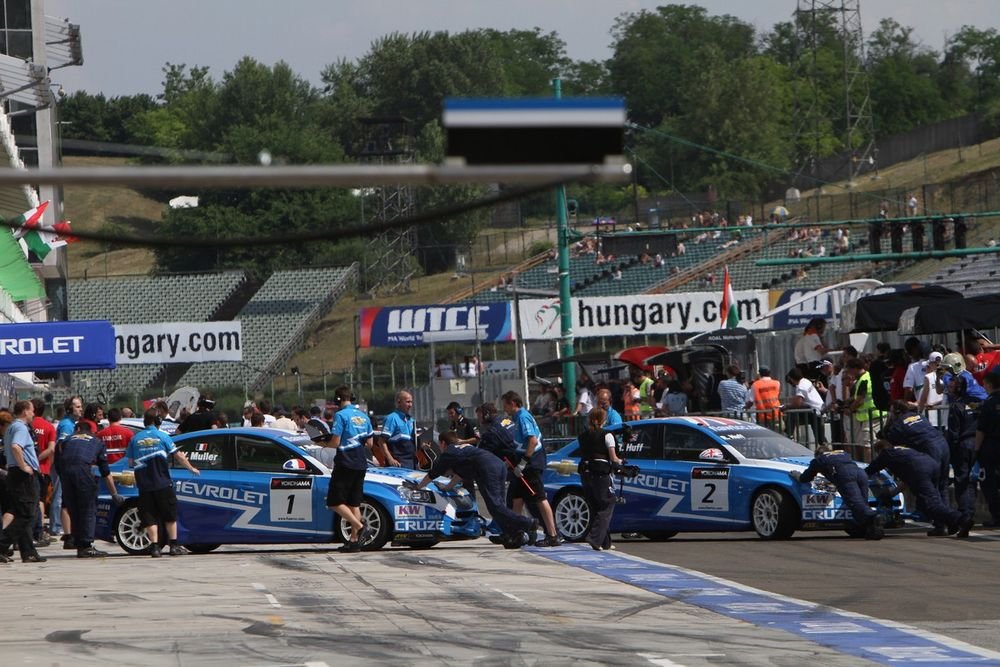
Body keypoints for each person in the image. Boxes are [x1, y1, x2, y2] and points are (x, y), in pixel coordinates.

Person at [406, 431, 536, 549]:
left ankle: (527, 523)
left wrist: (418, 487)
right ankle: (512, 535)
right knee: (497, 507)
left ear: (443, 443)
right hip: (498, 465)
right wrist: (447, 487)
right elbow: (461, 474)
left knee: (495, 506)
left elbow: (433, 473)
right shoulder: (462, 449)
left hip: (487, 469)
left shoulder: (449, 453)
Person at [125, 409, 201, 557]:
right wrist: (191, 468)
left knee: (149, 516)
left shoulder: (135, 439)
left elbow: (130, 462)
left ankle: (154, 547)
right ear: (158, 421)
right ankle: (173, 545)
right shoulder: (163, 436)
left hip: (145, 486)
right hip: (163, 483)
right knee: (170, 515)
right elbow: (178, 455)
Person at [866, 439, 972, 538]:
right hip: (931, 465)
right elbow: (907, 482)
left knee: (931, 504)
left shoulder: (886, 454)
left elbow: (869, 470)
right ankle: (950, 523)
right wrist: (892, 494)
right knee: (930, 502)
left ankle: (961, 519)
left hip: (921, 470)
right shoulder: (901, 451)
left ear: (879, 450)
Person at [879, 400, 951, 535]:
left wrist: (890, 420)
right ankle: (948, 522)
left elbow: (885, 436)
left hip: (930, 450)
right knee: (943, 486)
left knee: (932, 489)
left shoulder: (899, 425)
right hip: (943, 445)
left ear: (895, 412)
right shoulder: (919, 416)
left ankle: (942, 524)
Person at [501, 390, 562, 547]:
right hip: (523, 463)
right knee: (517, 499)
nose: (504, 409)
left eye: (505, 405)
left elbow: (533, 441)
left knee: (539, 498)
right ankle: (516, 534)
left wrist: (523, 462)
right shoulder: (516, 418)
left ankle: (553, 535)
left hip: (532, 463)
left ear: (513, 403)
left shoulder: (522, 417)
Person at [57, 420, 124, 558]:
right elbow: (105, 472)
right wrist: (114, 494)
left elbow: (58, 458)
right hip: (82, 471)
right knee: (88, 509)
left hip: (65, 473)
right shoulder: (97, 442)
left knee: (73, 508)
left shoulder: (67, 440)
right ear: (91, 431)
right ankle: (86, 545)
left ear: (78, 429)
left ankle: (78, 542)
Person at [321, 386, 375, 553]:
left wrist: (321, 443)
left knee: (334, 501)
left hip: (346, 462)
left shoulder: (341, 415)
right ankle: (354, 541)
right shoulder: (364, 416)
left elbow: (336, 442)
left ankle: (359, 526)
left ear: (337, 399)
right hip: (361, 463)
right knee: (354, 503)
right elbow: (370, 444)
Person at [790, 445, 882, 539]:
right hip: (861, 473)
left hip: (846, 475)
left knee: (856, 503)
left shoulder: (818, 460)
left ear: (817, 455)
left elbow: (806, 477)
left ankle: (873, 516)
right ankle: (871, 531)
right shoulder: (842, 453)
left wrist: (797, 475)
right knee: (863, 503)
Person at [0, 401, 46, 563]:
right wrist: (24, 466)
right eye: (32, 411)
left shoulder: (11, 428)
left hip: (14, 473)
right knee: (27, 514)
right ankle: (3, 544)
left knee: (22, 512)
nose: (33, 414)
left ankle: (28, 552)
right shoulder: (20, 427)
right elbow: (15, 447)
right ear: (25, 411)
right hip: (22, 475)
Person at [576, 408, 624, 551]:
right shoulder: (607, 435)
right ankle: (595, 538)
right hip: (601, 472)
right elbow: (613, 457)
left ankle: (605, 542)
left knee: (595, 505)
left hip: (585, 471)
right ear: (604, 420)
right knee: (607, 504)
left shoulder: (583, 435)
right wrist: (620, 462)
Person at [946, 373, 982, 522]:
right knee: (972, 480)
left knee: (961, 480)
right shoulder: (975, 403)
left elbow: (954, 432)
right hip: (977, 443)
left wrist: (951, 450)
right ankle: (969, 511)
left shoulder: (956, 406)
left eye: (952, 383)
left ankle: (965, 514)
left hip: (963, 445)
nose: (949, 386)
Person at [53, 395, 82, 548]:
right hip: (66, 467)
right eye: (77, 406)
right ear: (70, 408)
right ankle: (69, 535)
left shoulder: (72, 423)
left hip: (68, 466)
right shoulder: (66, 425)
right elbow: (61, 446)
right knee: (66, 501)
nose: (80, 409)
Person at [975, 369, 1000, 527]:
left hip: (992, 446)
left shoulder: (988, 403)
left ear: (989, 385)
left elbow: (980, 430)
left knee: (989, 483)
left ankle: (997, 516)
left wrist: (976, 450)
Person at [30, 398, 56, 545]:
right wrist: (41, 460)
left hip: (27, 467)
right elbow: (51, 449)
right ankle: (39, 531)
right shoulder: (49, 427)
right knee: (40, 500)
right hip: (43, 468)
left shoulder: (27, 425)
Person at [843, 358, 883, 449]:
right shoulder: (864, 377)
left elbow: (860, 400)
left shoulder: (864, 379)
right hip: (870, 416)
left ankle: (869, 463)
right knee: (871, 445)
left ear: (855, 368)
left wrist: (850, 410)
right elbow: (858, 396)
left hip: (872, 415)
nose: (849, 373)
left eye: (849, 370)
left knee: (867, 446)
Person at [785, 367, 825, 445]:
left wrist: (786, 406)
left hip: (815, 412)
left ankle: (789, 434)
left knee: (792, 411)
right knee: (820, 438)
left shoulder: (801, 386)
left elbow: (797, 403)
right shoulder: (805, 381)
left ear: (792, 379)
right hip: (817, 409)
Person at [380, 391, 416, 469]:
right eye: (408, 402)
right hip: (398, 464)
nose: (410, 405)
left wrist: (423, 445)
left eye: (411, 402)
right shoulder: (392, 418)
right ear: (399, 402)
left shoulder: (411, 420)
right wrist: (390, 459)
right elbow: (381, 441)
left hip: (411, 462)